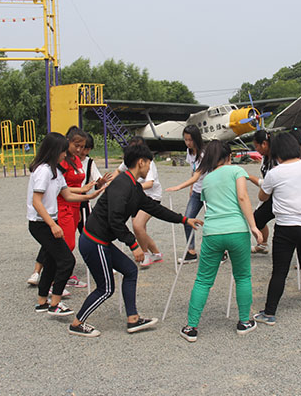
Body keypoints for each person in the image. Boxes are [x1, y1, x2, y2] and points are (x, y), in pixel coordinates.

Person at [68, 144, 202, 337]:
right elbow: (114, 220)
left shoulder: (134, 186)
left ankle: (133, 319)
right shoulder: (121, 184)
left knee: (130, 270)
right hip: (94, 242)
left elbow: (155, 208)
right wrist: (134, 245)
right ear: (141, 162)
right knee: (106, 288)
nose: (149, 167)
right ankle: (77, 323)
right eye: (149, 163)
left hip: (102, 242)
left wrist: (184, 219)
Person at [180, 141, 263, 342]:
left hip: (212, 232)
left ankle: (191, 327)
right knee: (242, 276)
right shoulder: (237, 171)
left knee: (203, 280)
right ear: (229, 156)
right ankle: (244, 322)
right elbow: (242, 197)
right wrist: (253, 226)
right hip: (237, 230)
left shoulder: (207, 179)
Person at [253, 133, 301, 326]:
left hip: (286, 227)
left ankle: (270, 312)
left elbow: (263, 197)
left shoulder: (275, 173)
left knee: (280, 271)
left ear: (277, 152)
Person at [27, 133, 104, 317]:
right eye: (63, 151)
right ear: (55, 151)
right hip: (40, 223)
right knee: (67, 261)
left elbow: (67, 194)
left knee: (52, 260)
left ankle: (42, 302)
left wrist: (89, 196)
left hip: (49, 220)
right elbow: (36, 201)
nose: (65, 154)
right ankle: (55, 303)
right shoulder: (44, 171)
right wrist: (53, 225)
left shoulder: (55, 171)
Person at [112, 136, 164, 268]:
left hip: (151, 197)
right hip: (136, 197)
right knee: (140, 229)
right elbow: (118, 171)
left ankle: (145, 254)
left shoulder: (148, 162)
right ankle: (156, 253)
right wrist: (110, 183)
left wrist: (130, 187)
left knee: (137, 225)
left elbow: (150, 183)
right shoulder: (130, 160)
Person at [165, 125, 206, 263]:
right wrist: (192, 188)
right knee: (187, 219)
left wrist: (179, 187)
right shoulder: (190, 152)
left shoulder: (204, 154)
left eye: (190, 140)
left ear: (196, 139)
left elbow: (197, 175)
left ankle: (222, 251)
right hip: (197, 191)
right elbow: (193, 172)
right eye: (185, 139)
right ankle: (191, 251)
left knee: (213, 222)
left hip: (209, 191)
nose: (188, 143)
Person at [247, 130, 276, 254]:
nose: (256, 149)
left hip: (279, 196)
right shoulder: (265, 158)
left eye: (257, 146)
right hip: (269, 194)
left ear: (264, 144)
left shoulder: (277, 159)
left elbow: (269, 182)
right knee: (257, 219)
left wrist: (249, 177)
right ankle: (263, 244)